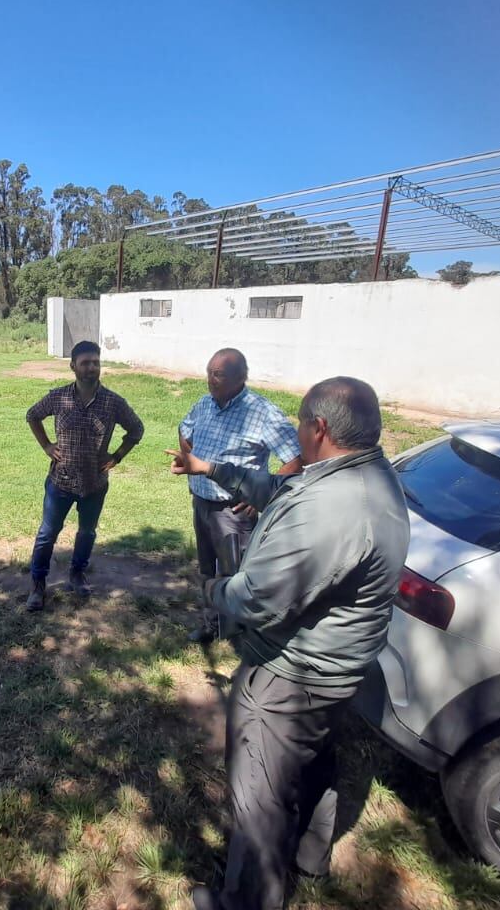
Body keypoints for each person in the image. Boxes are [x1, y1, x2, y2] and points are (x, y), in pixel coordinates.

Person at [168, 377, 410, 910]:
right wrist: (211, 469)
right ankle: (311, 855)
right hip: (336, 670)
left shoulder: (337, 507)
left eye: (301, 423)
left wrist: (210, 588)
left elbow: (258, 598)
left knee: (259, 794)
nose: (296, 431)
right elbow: (281, 492)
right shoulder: (362, 475)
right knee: (317, 761)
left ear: (318, 428)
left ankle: (248, 899)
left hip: (290, 675)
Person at [178, 349, 302, 644]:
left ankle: (243, 635)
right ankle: (212, 625)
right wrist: (189, 455)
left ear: (241, 378)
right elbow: (184, 429)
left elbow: (296, 458)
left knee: (238, 574)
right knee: (207, 567)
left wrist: (261, 492)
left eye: (218, 375)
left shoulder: (262, 412)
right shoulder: (204, 404)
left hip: (233, 510)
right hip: (202, 503)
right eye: (209, 372)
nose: (211, 380)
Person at [24, 340, 144, 611]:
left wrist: (117, 456)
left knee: (87, 532)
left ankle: (77, 574)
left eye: (96, 362)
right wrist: (46, 445)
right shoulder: (59, 397)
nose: (91, 368)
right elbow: (32, 415)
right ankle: (37, 585)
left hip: (95, 483)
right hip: (61, 481)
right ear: (73, 366)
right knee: (47, 533)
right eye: (85, 362)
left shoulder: (113, 402)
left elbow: (136, 429)